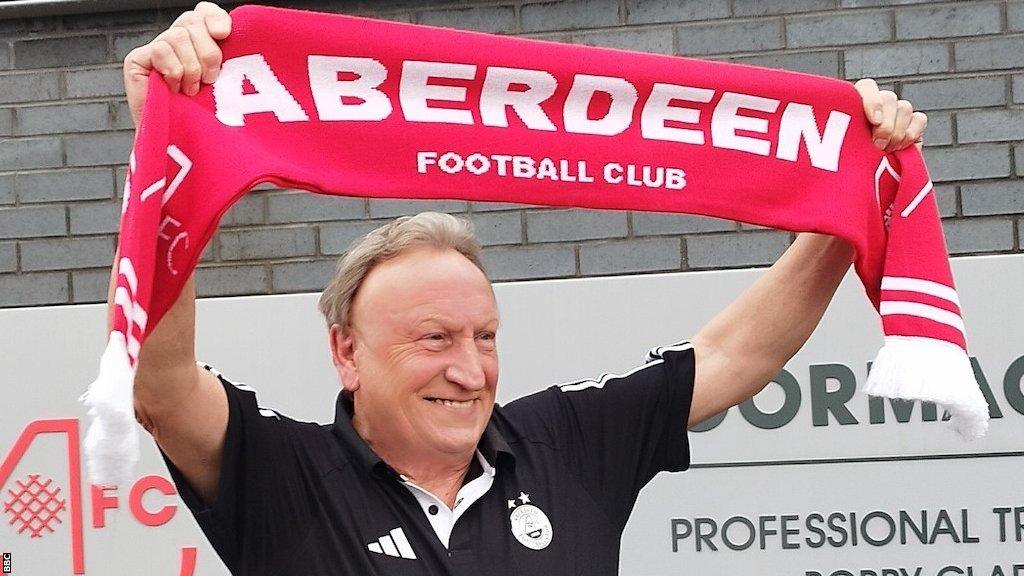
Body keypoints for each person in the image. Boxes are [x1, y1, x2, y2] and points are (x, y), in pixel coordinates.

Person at [117, 3, 929, 575]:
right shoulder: (282, 473)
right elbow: (162, 384)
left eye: (484, 337)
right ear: (347, 352)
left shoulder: (566, 443)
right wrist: (167, 154)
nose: (469, 369)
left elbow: (733, 351)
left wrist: (842, 204)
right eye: (434, 339)